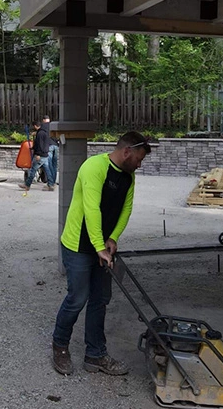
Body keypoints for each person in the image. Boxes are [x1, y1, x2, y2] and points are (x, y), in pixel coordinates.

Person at [51, 131, 151, 376]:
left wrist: (113, 238)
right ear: (126, 151)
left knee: (100, 299)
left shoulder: (128, 176)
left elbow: (126, 208)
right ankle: (60, 346)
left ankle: (95, 355)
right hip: (78, 245)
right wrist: (98, 246)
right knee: (77, 298)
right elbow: (91, 209)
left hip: (102, 246)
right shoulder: (93, 167)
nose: (139, 164)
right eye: (138, 159)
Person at [18, 120, 55, 191]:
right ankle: (51, 185)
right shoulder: (44, 132)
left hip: (40, 155)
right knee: (47, 170)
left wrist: (37, 154)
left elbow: (40, 145)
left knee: (33, 170)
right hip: (45, 154)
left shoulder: (40, 134)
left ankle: (27, 185)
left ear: (35, 126)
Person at [42, 114, 59, 186]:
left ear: (43, 120)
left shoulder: (43, 126)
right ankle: (54, 181)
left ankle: (50, 182)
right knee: (54, 165)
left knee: (49, 165)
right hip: (56, 146)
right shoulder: (53, 125)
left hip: (49, 146)